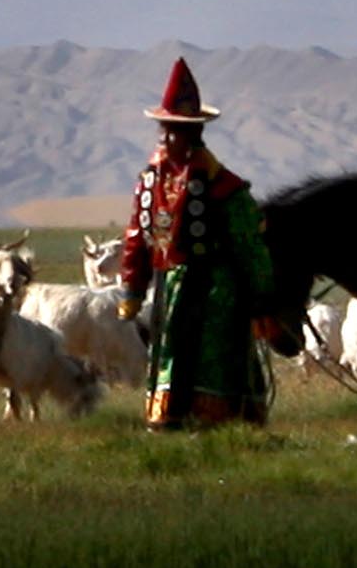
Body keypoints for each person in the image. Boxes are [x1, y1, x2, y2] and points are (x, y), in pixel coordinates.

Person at [104, 57, 289, 428]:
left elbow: (250, 246)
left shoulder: (226, 189)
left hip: (217, 288)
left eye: (174, 131)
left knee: (213, 354)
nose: (165, 138)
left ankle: (219, 420)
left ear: (193, 136)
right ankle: (170, 417)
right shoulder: (150, 182)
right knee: (170, 351)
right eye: (164, 129)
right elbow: (137, 234)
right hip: (169, 287)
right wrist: (132, 286)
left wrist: (262, 299)